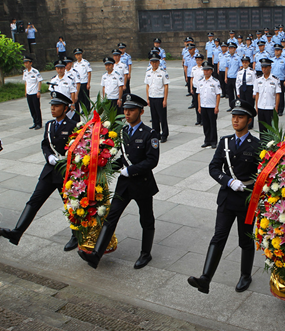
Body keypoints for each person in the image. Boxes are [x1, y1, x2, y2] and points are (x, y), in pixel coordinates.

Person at [78, 94, 160, 269]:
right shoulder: (123, 131)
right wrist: (104, 166)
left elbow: (152, 160)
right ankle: (96, 255)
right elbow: (122, 158)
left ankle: (146, 254)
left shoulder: (149, 134)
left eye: (131, 110)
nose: (127, 113)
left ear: (141, 111)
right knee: (111, 217)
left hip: (142, 184)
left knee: (146, 220)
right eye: (125, 110)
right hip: (124, 185)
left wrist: (130, 170)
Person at [188, 99, 259, 294]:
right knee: (218, 237)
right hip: (227, 198)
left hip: (246, 201)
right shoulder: (225, 142)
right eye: (234, 116)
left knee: (245, 240)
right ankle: (205, 278)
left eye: (240, 117)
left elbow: (262, 174)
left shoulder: (257, 145)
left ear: (249, 120)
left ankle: (246, 275)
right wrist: (228, 181)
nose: (235, 120)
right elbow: (213, 167)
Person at [0, 92, 78, 251]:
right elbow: (45, 144)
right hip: (49, 172)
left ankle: (76, 236)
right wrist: (48, 157)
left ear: (65, 108)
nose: (53, 108)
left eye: (56, 106)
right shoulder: (49, 125)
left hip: (65, 174)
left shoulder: (74, 126)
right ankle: (17, 232)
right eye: (52, 105)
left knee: (70, 206)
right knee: (34, 201)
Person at [145, 53, 170, 143]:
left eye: (156, 62)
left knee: (162, 117)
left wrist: (165, 99)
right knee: (154, 117)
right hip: (152, 97)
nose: (154, 64)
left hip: (160, 97)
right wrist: (148, 98)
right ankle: (156, 133)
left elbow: (166, 86)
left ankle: (164, 134)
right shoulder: (148, 73)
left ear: (159, 62)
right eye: (153, 62)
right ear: (150, 63)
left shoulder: (163, 72)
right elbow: (147, 86)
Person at [198, 61, 222, 149]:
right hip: (203, 105)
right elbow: (199, 94)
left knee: (212, 124)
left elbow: (218, 94)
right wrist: (199, 106)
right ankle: (207, 140)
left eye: (208, 70)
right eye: (204, 70)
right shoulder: (200, 81)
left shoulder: (215, 82)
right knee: (205, 124)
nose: (206, 72)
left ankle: (213, 141)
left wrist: (216, 106)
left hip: (212, 106)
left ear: (211, 71)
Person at [253, 58, 280, 136]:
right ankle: (262, 146)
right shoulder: (258, 80)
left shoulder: (275, 80)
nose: (264, 69)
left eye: (266, 67)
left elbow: (277, 94)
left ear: (270, 67)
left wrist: (276, 107)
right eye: (262, 67)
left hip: (270, 107)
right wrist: (257, 106)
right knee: (262, 129)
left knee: (271, 129)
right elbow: (257, 94)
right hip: (261, 107)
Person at [22, 55, 43, 130]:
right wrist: (25, 91)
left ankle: (39, 123)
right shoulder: (25, 72)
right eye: (25, 63)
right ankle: (35, 122)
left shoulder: (35, 71)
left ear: (30, 63)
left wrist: (38, 91)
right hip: (29, 93)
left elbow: (40, 81)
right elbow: (26, 82)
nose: (26, 64)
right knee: (31, 108)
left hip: (35, 92)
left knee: (36, 108)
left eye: (27, 63)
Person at [270, 44, 285, 116]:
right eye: (275, 50)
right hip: (273, 80)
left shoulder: (284, 60)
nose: (276, 52)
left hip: (281, 79)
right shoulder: (272, 60)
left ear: (281, 51)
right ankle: (274, 108)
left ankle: (280, 109)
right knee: (273, 94)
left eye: (278, 50)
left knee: (281, 96)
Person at [73, 48, 92, 114]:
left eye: (79, 54)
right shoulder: (75, 64)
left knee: (86, 97)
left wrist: (88, 83)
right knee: (80, 97)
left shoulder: (85, 63)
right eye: (77, 55)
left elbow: (89, 73)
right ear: (75, 56)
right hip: (78, 83)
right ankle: (83, 109)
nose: (78, 56)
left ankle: (87, 109)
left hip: (84, 82)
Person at [225, 42, 242, 112]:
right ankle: (231, 106)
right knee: (230, 93)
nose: (230, 50)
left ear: (235, 49)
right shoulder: (227, 57)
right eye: (229, 48)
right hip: (229, 77)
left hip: (236, 77)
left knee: (237, 92)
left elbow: (240, 67)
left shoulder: (238, 57)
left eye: (232, 48)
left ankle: (238, 105)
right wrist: (225, 77)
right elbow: (226, 68)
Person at [63, 56, 81, 121]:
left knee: (75, 114)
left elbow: (78, 84)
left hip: (73, 95)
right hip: (66, 96)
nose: (66, 66)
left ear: (70, 63)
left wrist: (76, 95)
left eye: (67, 64)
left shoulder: (74, 72)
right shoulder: (63, 72)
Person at [191, 53, 205, 124]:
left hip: (202, 88)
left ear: (202, 60)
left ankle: (202, 119)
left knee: (201, 103)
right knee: (196, 104)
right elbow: (192, 78)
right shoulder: (194, 68)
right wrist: (191, 88)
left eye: (199, 60)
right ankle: (198, 119)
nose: (198, 61)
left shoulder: (204, 69)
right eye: (197, 60)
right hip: (195, 87)